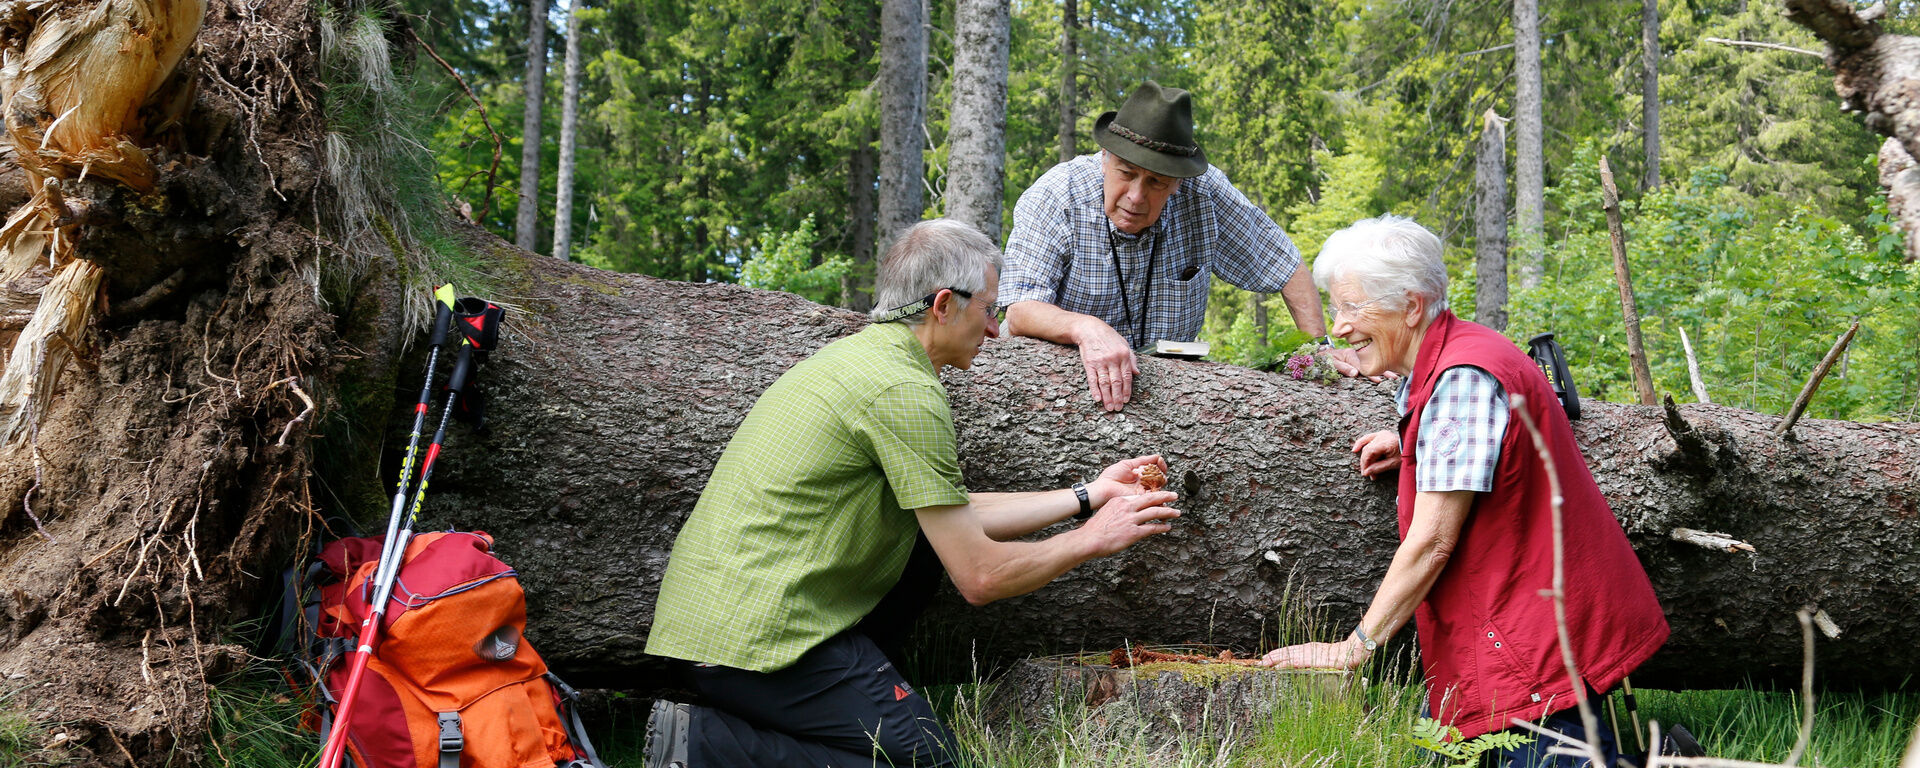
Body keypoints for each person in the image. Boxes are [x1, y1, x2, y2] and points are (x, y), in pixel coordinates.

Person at [641, 219, 1182, 768]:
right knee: (929, 763)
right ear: (943, 304)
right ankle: (703, 746)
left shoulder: (855, 361)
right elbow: (981, 576)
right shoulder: (904, 391)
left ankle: (722, 735)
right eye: (989, 310)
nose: (995, 331)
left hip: (712, 629)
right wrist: (1091, 540)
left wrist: (1089, 495)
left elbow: (953, 514)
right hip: (764, 643)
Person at [1259, 215, 1669, 767]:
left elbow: (1432, 542)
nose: (1338, 327)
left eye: (1353, 307)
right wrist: (1412, 440)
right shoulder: (1458, 357)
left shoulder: (1461, 381)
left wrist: (1353, 649)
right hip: (1526, 625)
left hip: (1531, 642)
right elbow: (1494, 444)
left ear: (1410, 305)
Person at [999, 80, 1364, 411]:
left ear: (1177, 183)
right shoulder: (1057, 194)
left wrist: (1317, 351)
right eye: (1126, 174)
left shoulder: (1203, 192)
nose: (1136, 197)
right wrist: (1088, 329)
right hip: (1058, 396)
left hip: (1170, 399)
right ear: (1105, 160)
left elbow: (1286, 267)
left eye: (1156, 182)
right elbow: (1019, 309)